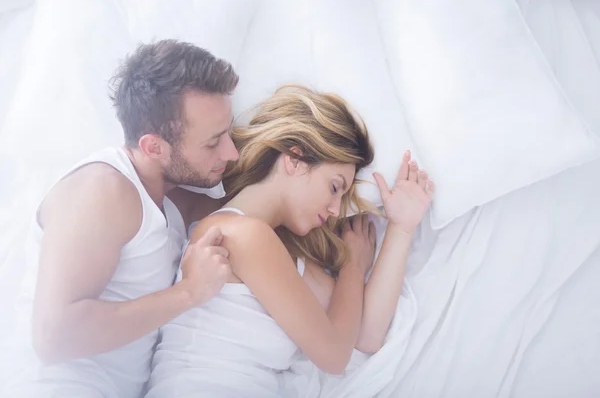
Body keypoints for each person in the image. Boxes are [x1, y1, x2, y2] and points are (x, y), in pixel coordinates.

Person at [146, 85, 434, 397]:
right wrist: (352, 265)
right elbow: (335, 357)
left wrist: (402, 227)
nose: (337, 209)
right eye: (334, 187)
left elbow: (365, 334)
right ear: (294, 159)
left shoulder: (274, 252)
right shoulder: (240, 234)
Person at [4, 40, 240, 398]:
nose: (231, 152)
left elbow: (246, 210)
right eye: (213, 142)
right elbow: (54, 338)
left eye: (229, 132)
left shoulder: (168, 199)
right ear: (153, 147)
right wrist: (190, 291)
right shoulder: (102, 189)